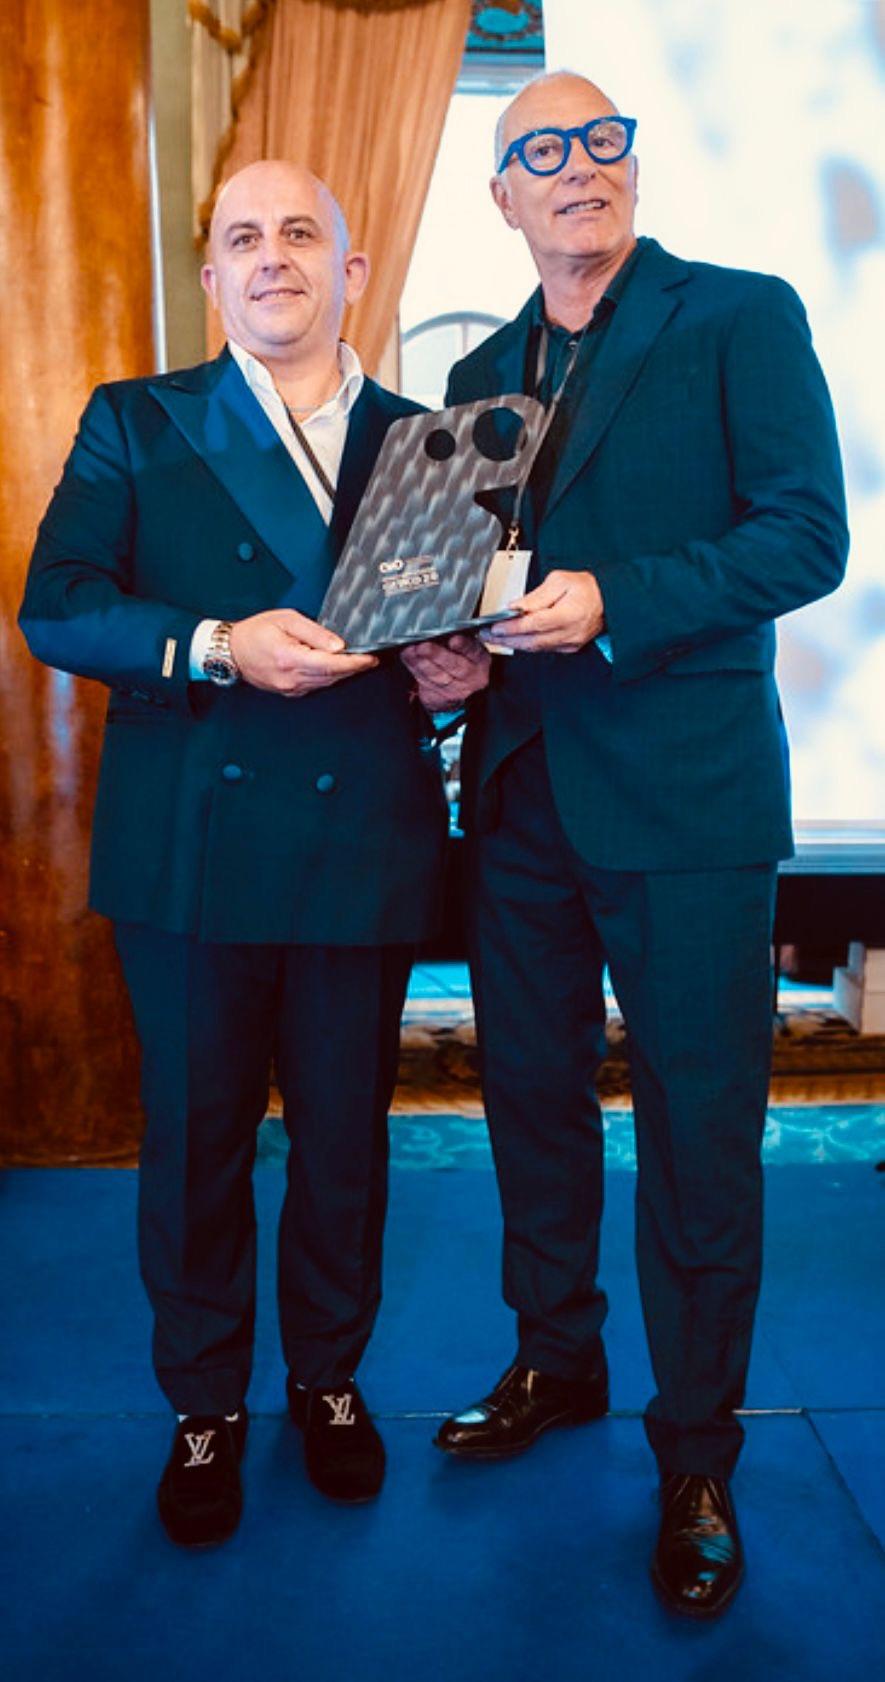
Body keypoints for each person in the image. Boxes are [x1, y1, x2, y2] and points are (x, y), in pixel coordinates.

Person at [402, 71, 848, 1618]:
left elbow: (805, 534)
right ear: (503, 198)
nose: (576, 166)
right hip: (518, 797)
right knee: (528, 1101)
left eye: (601, 141)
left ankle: (697, 1453)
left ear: (631, 168)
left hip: (686, 801)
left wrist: (616, 601)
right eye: (540, 150)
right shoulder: (474, 370)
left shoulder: (738, 315)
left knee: (698, 1133)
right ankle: (557, 1357)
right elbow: (455, 586)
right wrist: (441, 652)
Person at [19, 160, 448, 1549]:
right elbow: (55, 606)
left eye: (301, 233)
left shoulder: (427, 442)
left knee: (343, 1141)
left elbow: (435, 638)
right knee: (198, 1140)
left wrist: (459, 670)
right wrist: (214, 643)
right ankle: (203, 1403)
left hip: (359, 836)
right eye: (245, 238)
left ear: (350, 271)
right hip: (193, 844)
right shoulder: (136, 421)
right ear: (212, 280)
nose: (274, 257)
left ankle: (327, 1379)